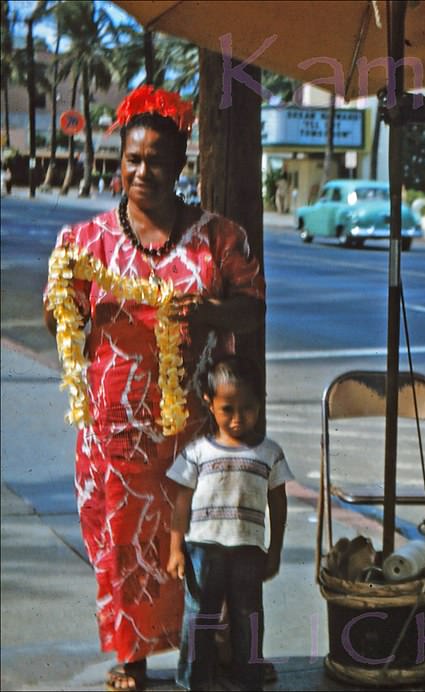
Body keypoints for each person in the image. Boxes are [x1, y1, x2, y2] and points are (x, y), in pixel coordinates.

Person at [42, 85, 265, 692]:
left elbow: (251, 312)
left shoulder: (220, 238)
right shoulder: (84, 241)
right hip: (110, 430)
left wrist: (208, 312)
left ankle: (207, 652)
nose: (143, 172)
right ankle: (128, 657)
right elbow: (59, 313)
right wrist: (62, 301)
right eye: (133, 160)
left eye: (157, 161)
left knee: (199, 543)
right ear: (121, 162)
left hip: (193, 428)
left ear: (181, 164)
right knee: (117, 543)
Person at [166, 356, 292, 691]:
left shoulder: (269, 453)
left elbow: (278, 503)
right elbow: (182, 501)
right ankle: (195, 680)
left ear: (261, 403)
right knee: (199, 617)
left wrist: (275, 550)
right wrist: (175, 548)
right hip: (203, 550)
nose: (238, 419)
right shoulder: (198, 452)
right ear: (209, 403)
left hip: (248, 551)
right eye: (228, 409)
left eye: (248, 408)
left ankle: (248, 680)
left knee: (247, 617)